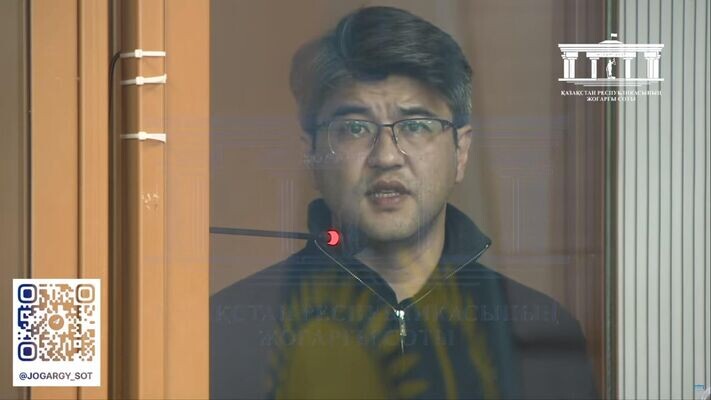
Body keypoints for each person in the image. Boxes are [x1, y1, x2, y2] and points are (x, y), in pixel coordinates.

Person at [211, 6, 598, 399]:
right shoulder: (226, 331)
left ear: (461, 152)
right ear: (312, 154)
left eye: (415, 126)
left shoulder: (542, 333)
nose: (386, 156)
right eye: (354, 128)